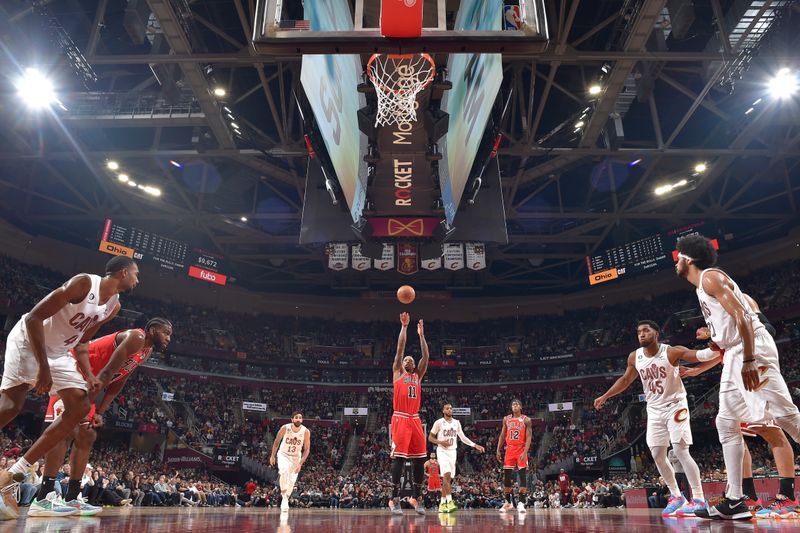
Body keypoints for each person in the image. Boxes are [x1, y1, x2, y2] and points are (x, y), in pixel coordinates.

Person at [0, 256, 139, 519]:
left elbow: (82, 341)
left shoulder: (113, 306)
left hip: (60, 353)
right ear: (123, 273)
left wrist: (88, 374)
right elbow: (33, 318)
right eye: (136, 274)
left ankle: (15, 471)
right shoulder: (84, 283)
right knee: (12, 405)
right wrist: (43, 366)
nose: (138, 279)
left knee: (81, 406)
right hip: (31, 341)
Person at [675, 233, 800, 519]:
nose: (676, 262)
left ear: (688, 259)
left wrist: (749, 359)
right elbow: (726, 334)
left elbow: (744, 317)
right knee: (726, 422)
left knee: (785, 417)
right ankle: (734, 499)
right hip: (734, 352)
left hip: (749, 348)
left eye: (678, 256)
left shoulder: (710, 277)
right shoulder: (701, 288)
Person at [33, 318, 172, 516]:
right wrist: (87, 403)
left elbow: (119, 379)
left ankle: (72, 498)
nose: (168, 338)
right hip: (72, 371)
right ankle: (43, 498)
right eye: (165, 333)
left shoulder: (146, 350)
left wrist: (99, 411)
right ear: (151, 330)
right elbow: (108, 371)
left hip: (87, 384)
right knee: (64, 432)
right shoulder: (136, 337)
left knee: (86, 435)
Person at [594, 320, 711, 517]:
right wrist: (606, 396)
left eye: (646, 331)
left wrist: (717, 342)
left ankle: (699, 498)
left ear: (656, 334)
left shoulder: (671, 352)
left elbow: (701, 356)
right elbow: (625, 380)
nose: (641, 334)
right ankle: (677, 496)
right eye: (639, 331)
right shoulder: (635, 357)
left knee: (681, 450)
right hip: (654, 409)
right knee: (657, 453)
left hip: (675, 405)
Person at [388, 313, 429, 515]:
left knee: (420, 459)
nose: (408, 360)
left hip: (415, 419)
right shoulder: (398, 372)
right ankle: (393, 499)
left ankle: (416, 497)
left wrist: (421, 336)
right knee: (399, 460)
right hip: (401, 418)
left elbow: (426, 357)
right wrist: (404, 327)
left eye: (410, 359)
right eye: (405, 359)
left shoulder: (418, 376)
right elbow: (400, 349)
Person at [428, 403, 485, 513]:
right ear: (443, 411)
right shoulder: (438, 422)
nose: (449, 409)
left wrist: (475, 445)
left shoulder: (456, 423)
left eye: (451, 408)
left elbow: (463, 438)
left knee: (448, 479)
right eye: (447, 408)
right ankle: (449, 502)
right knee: (446, 474)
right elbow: (430, 437)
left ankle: (441, 504)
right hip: (442, 450)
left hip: (452, 451)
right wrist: (440, 442)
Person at [496, 399, 532, 513]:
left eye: (517, 404)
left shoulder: (526, 420)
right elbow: (502, 435)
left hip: (521, 449)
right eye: (513, 404)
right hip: (509, 449)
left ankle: (521, 502)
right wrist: (498, 449)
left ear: (520, 407)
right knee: (506, 477)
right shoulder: (506, 419)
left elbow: (529, 437)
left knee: (522, 476)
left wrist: (525, 452)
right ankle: (508, 502)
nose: (514, 406)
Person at [269, 411, 310, 512]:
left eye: (300, 418)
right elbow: (277, 441)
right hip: (284, 454)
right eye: (296, 417)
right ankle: (283, 496)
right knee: (284, 471)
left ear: (302, 420)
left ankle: (286, 497)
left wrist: (300, 463)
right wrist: (272, 456)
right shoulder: (285, 428)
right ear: (292, 419)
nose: (298, 419)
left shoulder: (306, 431)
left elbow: (306, 449)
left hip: (296, 457)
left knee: (292, 480)